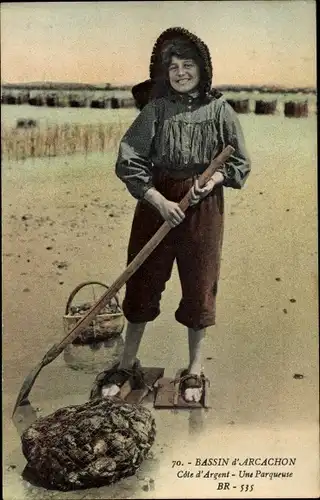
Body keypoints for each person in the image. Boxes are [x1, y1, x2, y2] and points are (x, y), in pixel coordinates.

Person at [100, 27, 251, 403]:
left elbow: (240, 163)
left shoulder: (221, 111)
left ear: (203, 69)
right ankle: (128, 364)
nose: (181, 72)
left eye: (188, 65)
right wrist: (157, 199)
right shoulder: (155, 110)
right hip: (157, 205)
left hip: (203, 207)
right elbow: (129, 159)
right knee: (141, 281)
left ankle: (194, 370)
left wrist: (213, 179)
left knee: (200, 284)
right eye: (174, 67)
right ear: (165, 73)